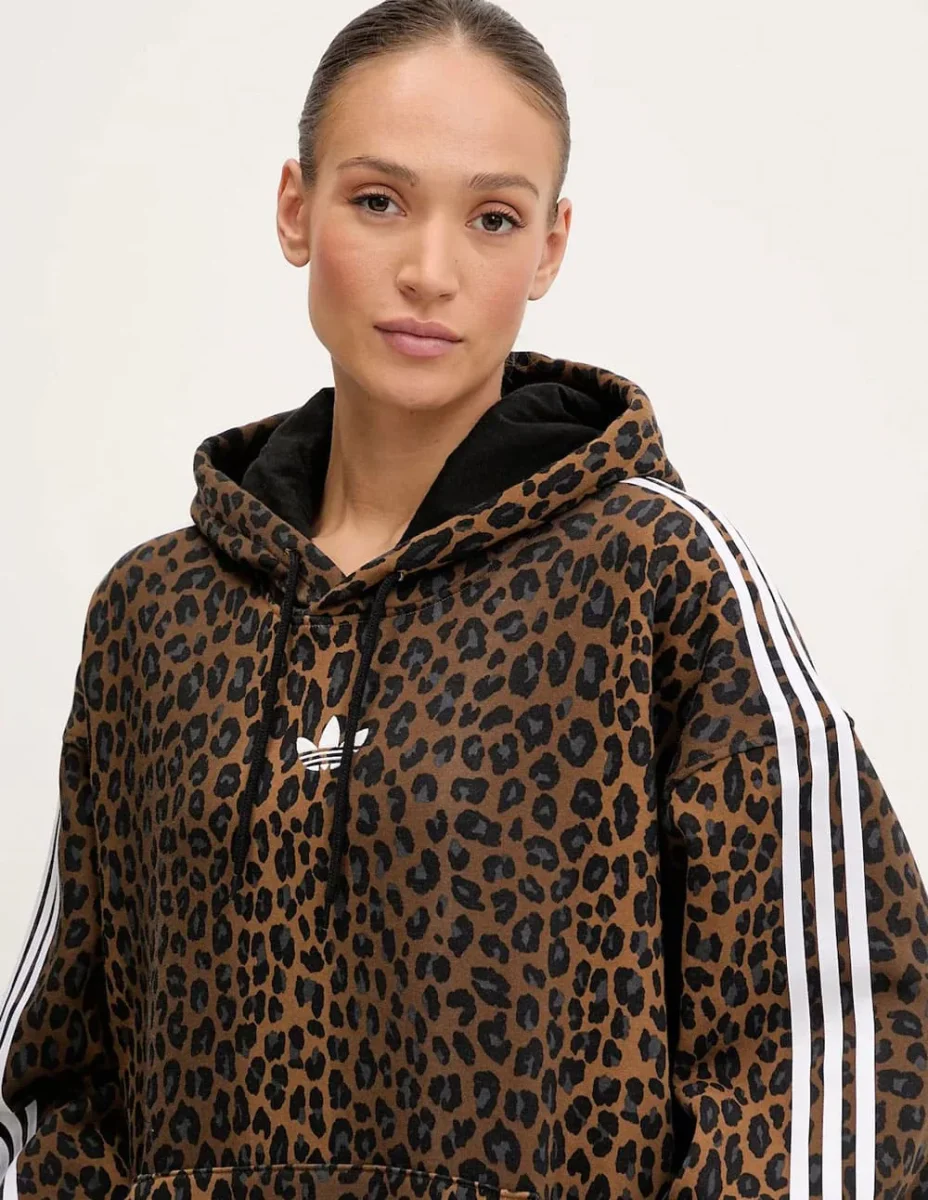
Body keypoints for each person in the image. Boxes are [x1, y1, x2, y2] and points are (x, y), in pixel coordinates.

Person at [2, 0, 926, 1196]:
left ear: (549, 247)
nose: (429, 273)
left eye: (492, 218)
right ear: (295, 208)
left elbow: (840, 1046)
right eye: (377, 200)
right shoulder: (153, 614)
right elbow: (54, 1069)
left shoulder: (657, 576)